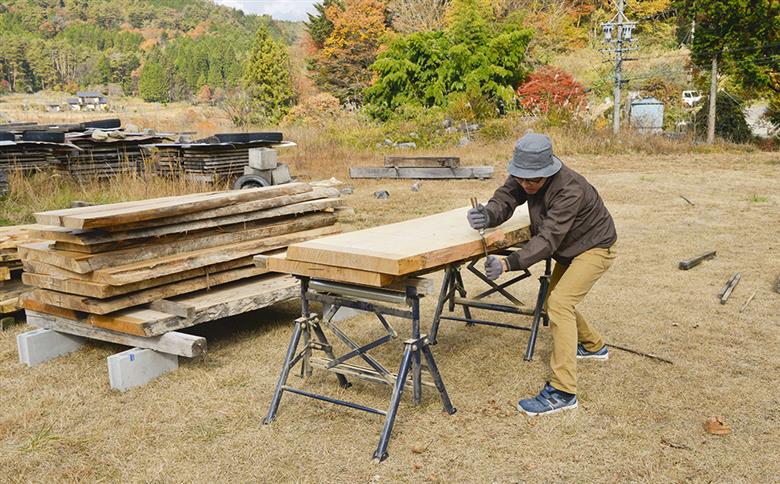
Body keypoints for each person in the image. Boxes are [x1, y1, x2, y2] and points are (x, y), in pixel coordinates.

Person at [467, 132, 617, 416]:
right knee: (553, 303)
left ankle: (564, 392)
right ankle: (594, 346)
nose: (526, 185)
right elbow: (506, 196)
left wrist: (508, 264)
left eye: (532, 181)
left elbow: (548, 239)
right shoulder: (526, 175)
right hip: (570, 248)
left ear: (548, 171)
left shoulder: (570, 189)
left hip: (595, 247)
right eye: (521, 178)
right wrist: (488, 214)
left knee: (560, 304)